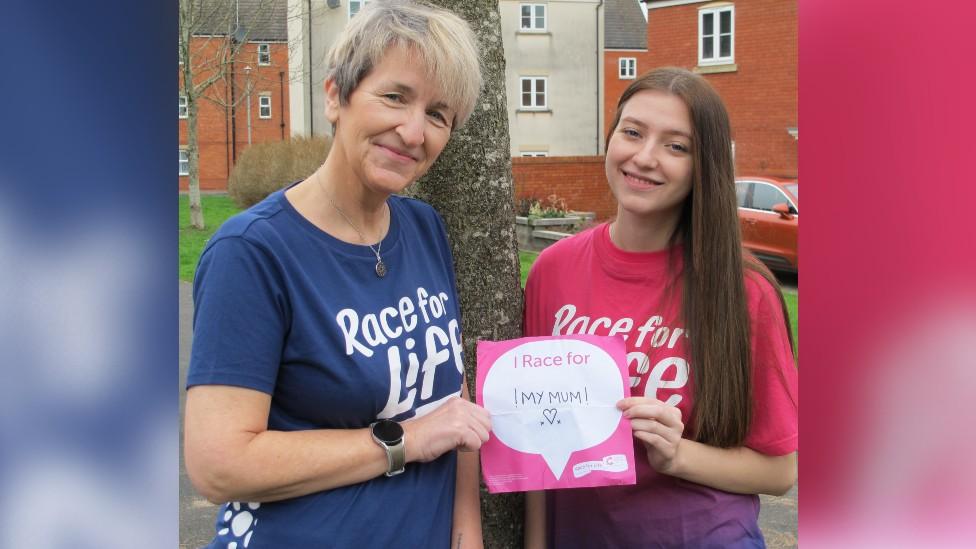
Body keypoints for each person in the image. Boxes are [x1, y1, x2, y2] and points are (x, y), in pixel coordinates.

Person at [183, 2, 491, 547]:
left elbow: (452, 398)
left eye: (438, 114)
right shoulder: (253, 253)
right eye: (395, 97)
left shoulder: (423, 229)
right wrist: (407, 440)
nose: (413, 131)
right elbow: (219, 465)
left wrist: (466, 529)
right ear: (335, 96)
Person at [522, 67, 798, 548]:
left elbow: (778, 471)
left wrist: (678, 455)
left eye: (676, 146)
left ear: (702, 166)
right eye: (632, 133)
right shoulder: (553, 269)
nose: (644, 158)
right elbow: (531, 439)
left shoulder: (744, 289)